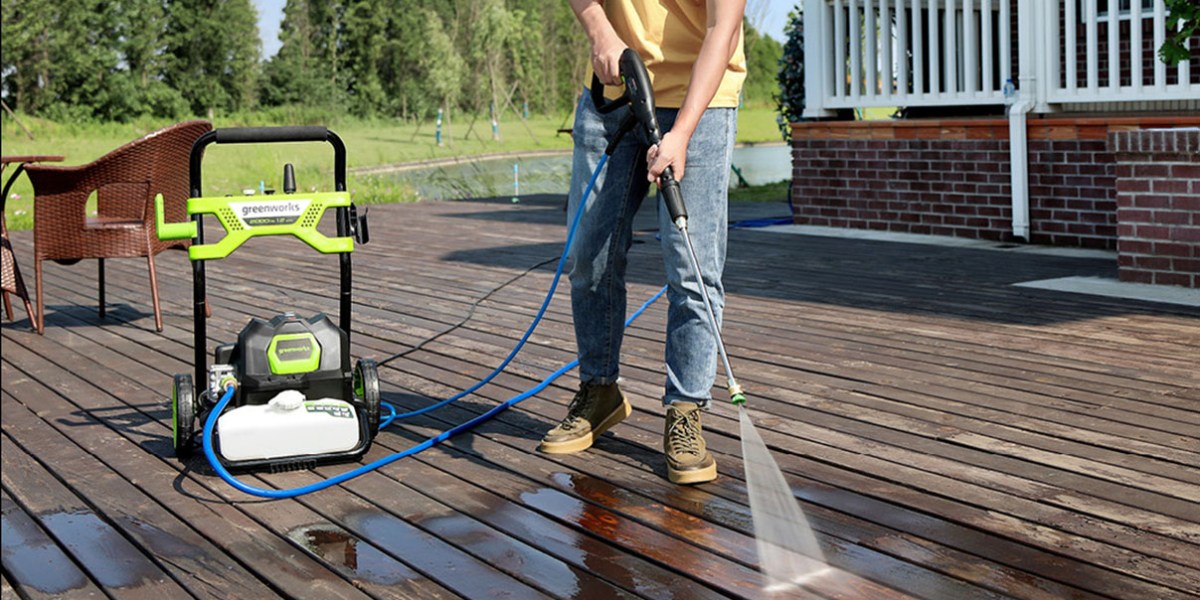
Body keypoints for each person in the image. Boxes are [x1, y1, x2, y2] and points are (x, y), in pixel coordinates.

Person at [539, 0, 746, 485]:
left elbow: (723, 28)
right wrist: (600, 32)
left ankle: (685, 409)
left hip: (702, 99)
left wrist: (682, 134)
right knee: (590, 256)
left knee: (691, 268)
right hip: (615, 92)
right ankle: (600, 391)